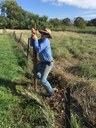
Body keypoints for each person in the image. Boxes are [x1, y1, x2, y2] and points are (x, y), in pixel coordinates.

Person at [31, 28, 57, 97]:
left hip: (48, 63)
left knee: (43, 80)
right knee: (34, 71)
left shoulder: (46, 41)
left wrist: (36, 39)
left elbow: (38, 50)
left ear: (47, 35)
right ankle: (46, 84)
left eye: (45, 34)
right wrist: (33, 34)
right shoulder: (40, 40)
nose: (43, 34)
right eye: (42, 33)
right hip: (42, 62)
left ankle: (52, 93)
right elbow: (32, 43)